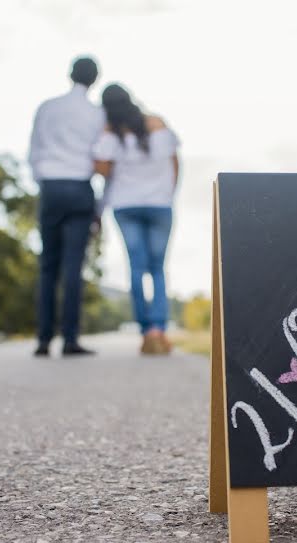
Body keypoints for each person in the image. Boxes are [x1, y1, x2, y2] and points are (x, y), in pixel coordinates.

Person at [93, 84, 180, 355]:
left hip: (126, 205)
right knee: (157, 268)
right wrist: (168, 193)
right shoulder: (157, 123)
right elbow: (175, 162)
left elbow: (101, 168)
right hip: (159, 204)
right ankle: (159, 329)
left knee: (136, 268)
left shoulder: (112, 131)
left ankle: (145, 331)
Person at [28, 56, 105, 357]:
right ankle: (70, 338)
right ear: (95, 79)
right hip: (79, 187)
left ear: (69, 74)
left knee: (48, 265)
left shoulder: (47, 107)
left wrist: (43, 181)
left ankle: (44, 339)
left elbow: (34, 150)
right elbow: (101, 155)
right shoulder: (97, 114)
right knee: (73, 267)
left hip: (51, 186)